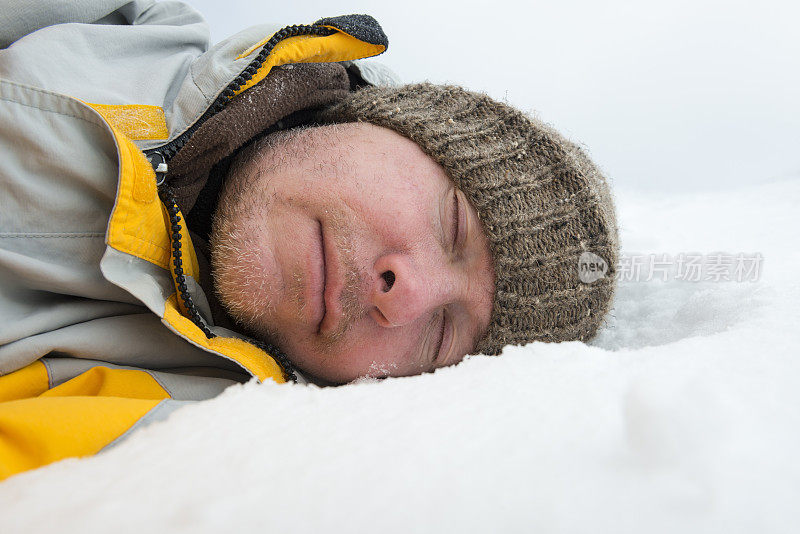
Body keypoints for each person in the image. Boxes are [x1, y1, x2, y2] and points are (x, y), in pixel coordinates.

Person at [0, 1, 619, 479]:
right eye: (451, 225)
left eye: (441, 334)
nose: (405, 296)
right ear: (384, 122)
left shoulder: (170, 433)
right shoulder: (126, 24)